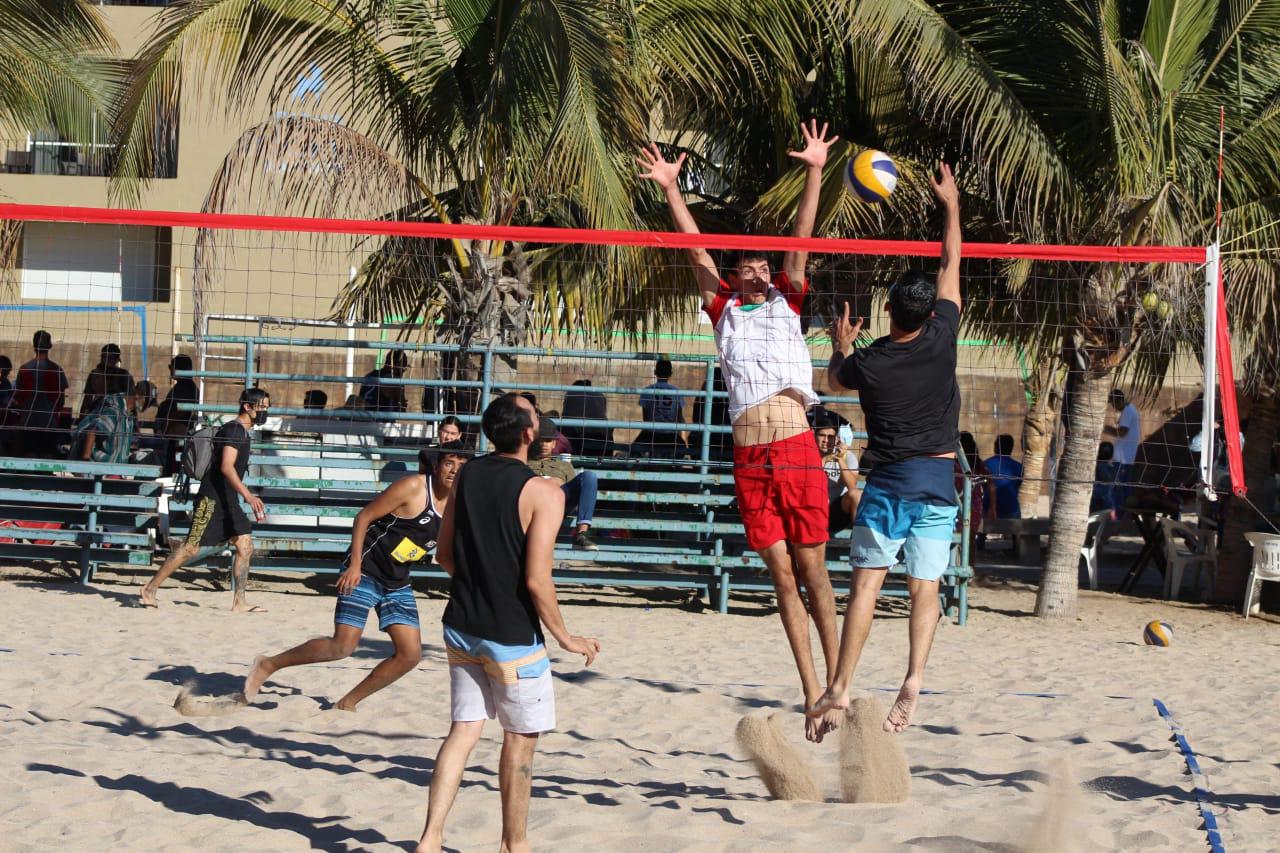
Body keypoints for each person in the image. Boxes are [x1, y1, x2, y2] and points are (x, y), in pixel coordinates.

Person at [641, 120, 842, 741]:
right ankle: (811, 692)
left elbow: (803, 236)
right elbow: (695, 249)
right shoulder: (723, 309)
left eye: (761, 263)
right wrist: (672, 189)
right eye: (747, 265)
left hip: (795, 444)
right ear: (735, 274)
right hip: (749, 454)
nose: (756, 272)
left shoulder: (788, 297)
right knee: (782, 577)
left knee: (813, 570)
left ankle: (839, 683)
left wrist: (815, 169)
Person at [814, 162, 963, 735]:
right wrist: (949, 204)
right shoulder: (944, 336)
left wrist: (840, 344)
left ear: (889, 314)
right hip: (936, 483)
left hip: (889, 487)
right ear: (928, 314)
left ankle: (843, 685)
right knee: (926, 588)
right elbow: (951, 262)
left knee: (867, 587)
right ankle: (914, 679)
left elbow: (832, 381)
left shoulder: (869, 362)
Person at [416, 394, 600, 853]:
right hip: (512, 637)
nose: (540, 424)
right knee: (519, 743)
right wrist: (566, 637)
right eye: (536, 418)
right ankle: (514, 845)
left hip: (460, 624)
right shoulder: (546, 493)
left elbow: (442, 554)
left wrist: (481, 582)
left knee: (462, 732)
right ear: (527, 434)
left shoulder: (467, 474)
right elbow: (538, 581)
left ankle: (430, 838)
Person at [242, 443, 469, 710]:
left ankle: (347, 703)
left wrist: (465, 584)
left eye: (462, 466)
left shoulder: (459, 504)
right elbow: (363, 517)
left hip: (396, 581)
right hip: (366, 568)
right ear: (437, 465)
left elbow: (443, 555)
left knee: (410, 655)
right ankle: (268, 664)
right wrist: (355, 566)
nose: (454, 471)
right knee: (342, 646)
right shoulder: (414, 487)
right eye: (449, 463)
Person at [139, 388, 272, 611]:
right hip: (211, 500)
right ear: (248, 407)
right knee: (190, 548)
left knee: (245, 546)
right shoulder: (234, 431)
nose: (265, 411)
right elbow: (226, 467)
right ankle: (150, 588)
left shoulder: (241, 432)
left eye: (267, 407)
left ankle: (240, 601)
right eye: (262, 407)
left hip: (228, 501)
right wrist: (248, 495)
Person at [528, 417, 599, 550]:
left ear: (554, 443)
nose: (544, 444)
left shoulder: (564, 466)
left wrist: (557, 485)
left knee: (589, 477)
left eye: (548, 441)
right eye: (540, 440)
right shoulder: (524, 462)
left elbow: (574, 494)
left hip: (558, 503)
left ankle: (581, 535)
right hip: (533, 503)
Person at [10, 330, 69, 457]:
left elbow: (18, 398)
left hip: (28, 422)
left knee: (28, 457)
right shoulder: (57, 370)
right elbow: (61, 400)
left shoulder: (24, 369)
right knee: (47, 457)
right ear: (50, 346)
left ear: (34, 346)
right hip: (49, 423)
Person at [71, 373, 152, 463]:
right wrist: (85, 462)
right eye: (148, 402)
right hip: (97, 468)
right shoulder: (114, 410)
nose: (147, 407)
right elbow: (92, 431)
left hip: (113, 469)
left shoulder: (128, 415)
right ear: (138, 395)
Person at [813, 412, 860, 535]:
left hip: (835, 513)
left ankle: (859, 540)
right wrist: (823, 461)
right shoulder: (808, 456)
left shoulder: (848, 457)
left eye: (830, 436)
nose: (826, 440)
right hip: (812, 510)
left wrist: (840, 459)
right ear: (814, 436)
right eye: (822, 435)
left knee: (856, 495)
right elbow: (808, 483)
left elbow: (852, 486)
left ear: (837, 438)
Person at [637, 358, 687, 458]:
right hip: (670, 435)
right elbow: (678, 418)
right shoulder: (677, 391)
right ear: (670, 373)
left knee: (634, 450)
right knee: (684, 449)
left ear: (655, 372)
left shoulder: (647, 390)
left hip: (652, 434)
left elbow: (645, 418)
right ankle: (676, 467)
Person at [955, 432, 995, 552]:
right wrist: (992, 507)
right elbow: (991, 486)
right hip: (975, 506)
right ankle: (970, 566)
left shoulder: (954, 465)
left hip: (957, 504)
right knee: (970, 540)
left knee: (957, 538)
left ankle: (958, 564)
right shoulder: (979, 465)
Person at [1103, 389, 1141, 507]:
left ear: (1120, 400)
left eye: (1114, 404)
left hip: (1123, 458)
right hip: (1124, 457)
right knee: (1123, 487)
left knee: (1119, 488)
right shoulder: (1129, 410)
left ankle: (1119, 515)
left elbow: (1122, 432)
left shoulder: (1128, 411)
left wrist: (1106, 429)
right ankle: (1122, 514)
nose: (1114, 407)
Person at [79, 344, 134, 418]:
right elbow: (87, 400)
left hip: (116, 416)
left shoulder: (124, 375)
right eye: (104, 357)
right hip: (99, 415)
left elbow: (131, 402)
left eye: (109, 358)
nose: (105, 361)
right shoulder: (95, 374)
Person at [561, 379, 610, 457]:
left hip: (578, 438)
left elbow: (565, 415)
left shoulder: (572, 394)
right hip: (602, 437)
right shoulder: (600, 395)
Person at [985, 434, 1023, 519]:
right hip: (1011, 510)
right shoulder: (1019, 467)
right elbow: (1018, 486)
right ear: (1011, 448)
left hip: (989, 510)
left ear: (996, 446)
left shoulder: (986, 464)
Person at [1091, 442, 1120, 512]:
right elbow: (1108, 479)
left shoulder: (1102, 464)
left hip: (1100, 495)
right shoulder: (1102, 465)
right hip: (1101, 495)